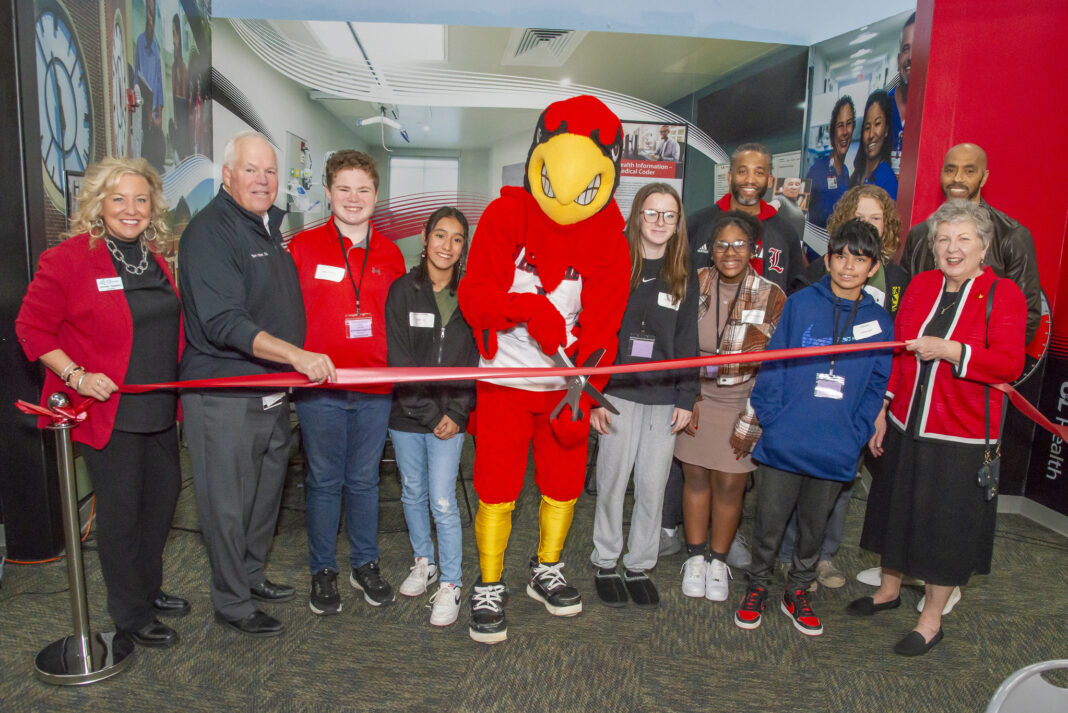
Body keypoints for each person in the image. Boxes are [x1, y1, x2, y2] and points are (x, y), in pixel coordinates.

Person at [457, 95, 630, 644]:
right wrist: (528, 308)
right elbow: (475, 296)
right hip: (504, 380)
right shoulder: (506, 214)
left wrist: (587, 378)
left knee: (563, 483)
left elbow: (606, 325)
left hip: (563, 386)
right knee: (497, 484)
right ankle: (489, 582)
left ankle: (546, 567)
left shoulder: (608, 237)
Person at [16, 157, 187, 648]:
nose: (131, 209)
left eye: (140, 199)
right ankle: (130, 613)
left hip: (158, 408)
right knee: (122, 515)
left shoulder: (152, 256)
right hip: (107, 414)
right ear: (98, 203)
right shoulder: (69, 258)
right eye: (119, 199)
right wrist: (76, 374)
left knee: (161, 505)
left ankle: (149, 590)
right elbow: (31, 329)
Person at [849, 200, 1026, 656]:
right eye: (943, 239)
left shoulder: (1003, 294)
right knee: (895, 509)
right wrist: (883, 409)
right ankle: (888, 591)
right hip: (907, 422)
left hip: (962, 435)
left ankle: (931, 619)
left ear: (984, 246)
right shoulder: (923, 285)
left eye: (963, 239)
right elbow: (898, 352)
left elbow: (1009, 363)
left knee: (944, 527)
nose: (952, 248)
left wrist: (952, 350)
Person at [179, 131, 336, 637]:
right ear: (227, 175)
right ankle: (232, 601)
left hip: (272, 393)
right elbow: (225, 321)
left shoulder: (266, 228)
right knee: (226, 504)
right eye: (251, 170)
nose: (263, 180)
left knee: (265, 497)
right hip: (225, 397)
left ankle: (249, 576)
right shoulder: (210, 233)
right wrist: (297, 355)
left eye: (270, 171)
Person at [733, 219, 893, 637]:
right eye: (840, 256)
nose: (848, 266)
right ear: (828, 258)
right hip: (786, 437)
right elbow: (774, 364)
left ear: (873, 267)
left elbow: (877, 383)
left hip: (837, 444)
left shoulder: (879, 321)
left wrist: (857, 432)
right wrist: (772, 418)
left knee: (814, 528)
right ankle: (757, 586)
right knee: (769, 521)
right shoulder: (802, 303)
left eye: (859, 259)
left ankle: (798, 591)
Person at [287, 150, 406, 615]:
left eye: (363, 190)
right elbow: (285, 317)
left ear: (377, 196)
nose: (353, 199)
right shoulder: (304, 247)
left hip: (375, 389)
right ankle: (323, 569)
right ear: (328, 193)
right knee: (323, 481)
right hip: (322, 390)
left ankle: (364, 564)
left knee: (363, 481)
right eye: (343, 189)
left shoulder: (392, 254)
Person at [783, 184, 910, 590]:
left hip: (857, 403)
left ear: (885, 226)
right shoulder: (821, 269)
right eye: (858, 217)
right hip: (809, 398)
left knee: (840, 487)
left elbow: (895, 352)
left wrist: (879, 408)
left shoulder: (898, 279)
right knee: (794, 480)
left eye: (875, 218)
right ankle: (789, 555)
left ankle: (823, 557)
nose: (866, 225)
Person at [588, 183, 698, 609]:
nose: (659, 222)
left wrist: (687, 397)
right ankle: (606, 560)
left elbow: (688, 342)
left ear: (677, 224)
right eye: (652, 213)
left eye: (669, 215)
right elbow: (595, 334)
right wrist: (593, 394)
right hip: (618, 393)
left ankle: (639, 564)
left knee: (652, 485)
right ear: (636, 216)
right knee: (612, 481)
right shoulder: (614, 265)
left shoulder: (683, 274)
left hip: (665, 397)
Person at [674, 211, 785, 603]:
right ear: (711, 249)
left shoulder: (773, 295)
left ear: (753, 249)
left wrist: (753, 420)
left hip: (743, 400)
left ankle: (718, 561)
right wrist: (688, 397)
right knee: (696, 478)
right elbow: (677, 344)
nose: (730, 252)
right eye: (722, 244)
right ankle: (696, 557)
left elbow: (777, 367)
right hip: (697, 397)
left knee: (730, 482)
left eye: (739, 244)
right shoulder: (693, 284)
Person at [385, 207, 478, 627]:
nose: (447, 246)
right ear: (424, 238)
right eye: (440, 236)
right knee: (412, 492)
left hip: (451, 419)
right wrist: (426, 412)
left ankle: (452, 581)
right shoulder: (402, 291)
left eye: (457, 239)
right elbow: (398, 361)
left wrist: (456, 413)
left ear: (463, 248)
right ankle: (424, 561)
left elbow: (477, 362)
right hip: (407, 415)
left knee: (443, 499)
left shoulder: (472, 296)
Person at [901, 143, 1042, 346]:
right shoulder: (919, 234)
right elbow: (907, 305)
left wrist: (975, 361)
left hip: (972, 368)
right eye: (951, 170)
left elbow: (1026, 317)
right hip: (921, 360)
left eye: (969, 171)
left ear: (984, 177)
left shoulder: (1012, 236)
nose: (957, 178)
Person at [688, 143, 803, 293]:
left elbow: (795, 293)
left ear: (769, 181)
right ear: (730, 177)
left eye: (759, 173)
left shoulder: (786, 233)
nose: (750, 180)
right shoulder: (698, 224)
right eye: (742, 171)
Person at [806, 96, 855, 230]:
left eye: (849, 123)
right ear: (833, 131)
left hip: (837, 248)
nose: (845, 132)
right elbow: (800, 213)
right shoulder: (817, 170)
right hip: (816, 249)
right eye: (840, 125)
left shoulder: (845, 172)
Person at [850, 91, 898, 199]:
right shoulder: (857, 174)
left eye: (877, 124)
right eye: (867, 127)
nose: (871, 134)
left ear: (886, 130)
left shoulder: (887, 181)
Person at [134, 0, 164, 166]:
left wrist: (158, 115)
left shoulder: (156, 49)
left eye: (152, 14)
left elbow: (159, 86)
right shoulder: (139, 41)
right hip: (141, 105)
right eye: (148, 13)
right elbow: (135, 76)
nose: (149, 18)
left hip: (153, 111)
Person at [888, 13, 915, 175]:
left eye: (918, 46)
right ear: (899, 60)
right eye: (906, 49)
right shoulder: (883, 105)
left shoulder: (935, 112)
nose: (911, 57)